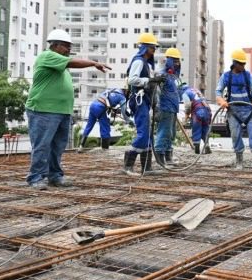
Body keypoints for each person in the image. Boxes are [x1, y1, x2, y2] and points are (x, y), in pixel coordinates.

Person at [25, 29, 111, 189]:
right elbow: (74, 62)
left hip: (61, 111)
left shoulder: (60, 65)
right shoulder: (47, 56)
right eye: (65, 46)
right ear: (54, 46)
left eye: (69, 46)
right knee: (42, 145)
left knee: (58, 145)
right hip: (44, 109)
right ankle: (36, 177)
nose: (68, 49)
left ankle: (55, 176)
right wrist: (94, 63)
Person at [123, 33, 165, 175]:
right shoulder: (139, 61)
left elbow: (150, 81)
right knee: (143, 133)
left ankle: (146, 168)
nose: (154, 49)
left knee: (147, 134)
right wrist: (148, 81)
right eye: (152, 47)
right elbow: (131, 80)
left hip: (146, 100)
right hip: (139, 100)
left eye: (154, 47)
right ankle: (127, 166)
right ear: (145, 47)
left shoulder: (147, 64)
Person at [215, 49, 252, 169]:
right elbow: (218, 92)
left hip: (249, 111)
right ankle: (239, 160)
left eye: (244, 63)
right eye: (241, 63)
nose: (243, 66)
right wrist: (222, 102)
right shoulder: (226, 76)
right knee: (235, 135)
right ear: (235, 63)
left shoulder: (248, 75)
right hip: (233, 111)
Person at [154, 47, 182, 167]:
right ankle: (160, 158)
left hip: (173, 109)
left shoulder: (174, 77)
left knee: (171, 134)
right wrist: (156, 108)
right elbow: (156, 92)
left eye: (177, 61)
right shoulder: (162, 75)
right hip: (164, 108)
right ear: (168, 60)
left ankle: (168, 157)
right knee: (164, 132)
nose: (176, 63)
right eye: (174, 61)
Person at [78, 88, 127, 152]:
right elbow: (124, 112)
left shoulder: (110, 91)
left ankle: (81, 146)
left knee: (89, 126)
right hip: (100, 108)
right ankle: (105, 149)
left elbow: (107, 101)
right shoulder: (122, 97)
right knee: (105, 128)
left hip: (93, 105)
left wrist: (110, 108)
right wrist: (128, 120)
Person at [182, 84, 213, 154]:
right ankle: (207, 146)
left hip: (198, 112)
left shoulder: (185, 93)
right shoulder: (196, 90)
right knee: (205, 129)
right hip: (207, 111)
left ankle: (197, 149)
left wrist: (186, 118)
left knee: (196, 129)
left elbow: (187, 106)